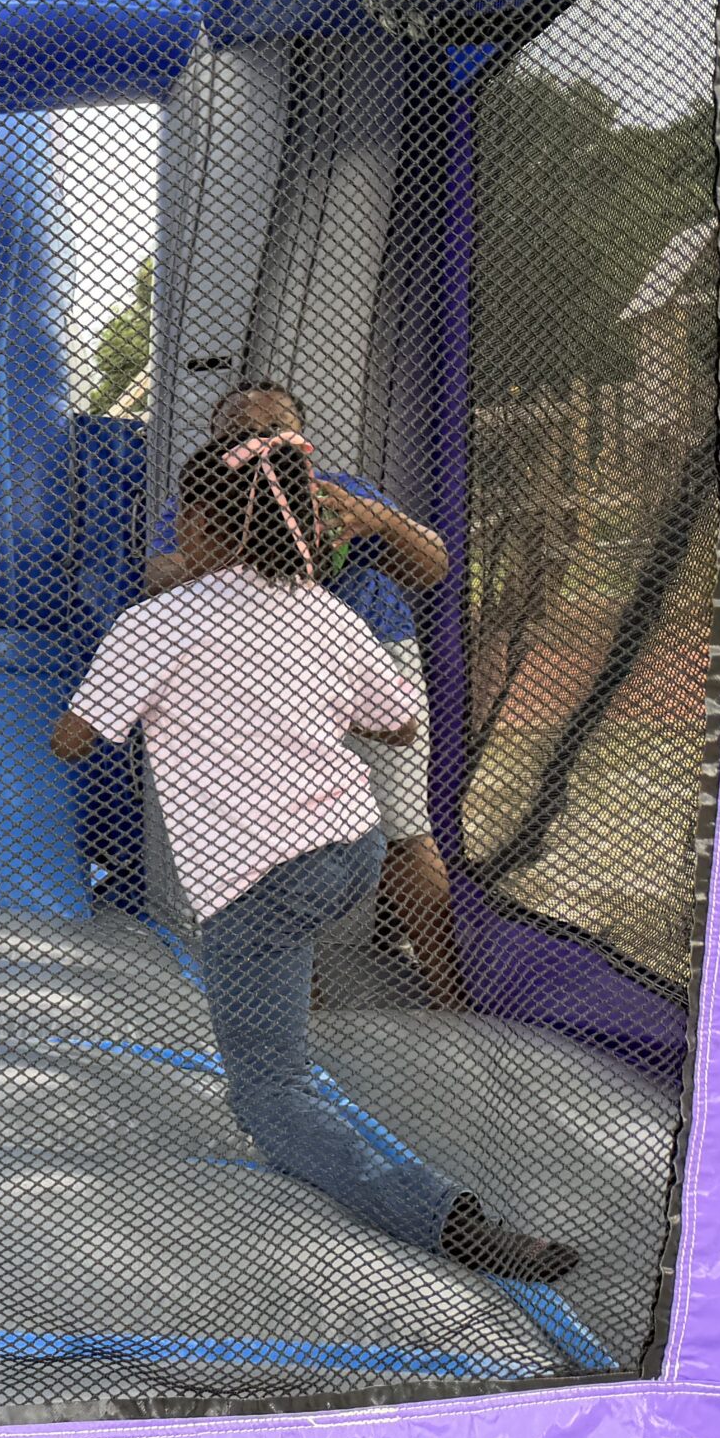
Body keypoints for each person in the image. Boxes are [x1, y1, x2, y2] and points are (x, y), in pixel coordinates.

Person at [55, 429, 578, 1283]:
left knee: (268, 1095)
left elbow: (75, 739)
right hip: (350, 854)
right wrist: (296, 701)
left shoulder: (154, 624)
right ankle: (297, 1053)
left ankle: (444, 1219)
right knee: (282, 973)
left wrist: (163, 697)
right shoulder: (325, 612)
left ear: (201, 523)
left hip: (258, 881)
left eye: (184, 513)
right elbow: (399, 725)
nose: (175, 525)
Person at [146, 383, 468, 1016]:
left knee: (407, 829)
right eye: (240, 428)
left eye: (276, 427)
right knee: (276, 841)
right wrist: (237, 553)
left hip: (373, 652)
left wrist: (379, 521)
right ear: (216, 441)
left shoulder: (338, 492)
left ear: (303, 440)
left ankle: (451, 1003)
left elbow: (433, 567)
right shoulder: (196, 502)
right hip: (259, 674)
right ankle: (305, 1004)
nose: (259, 437)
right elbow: (156, 576)